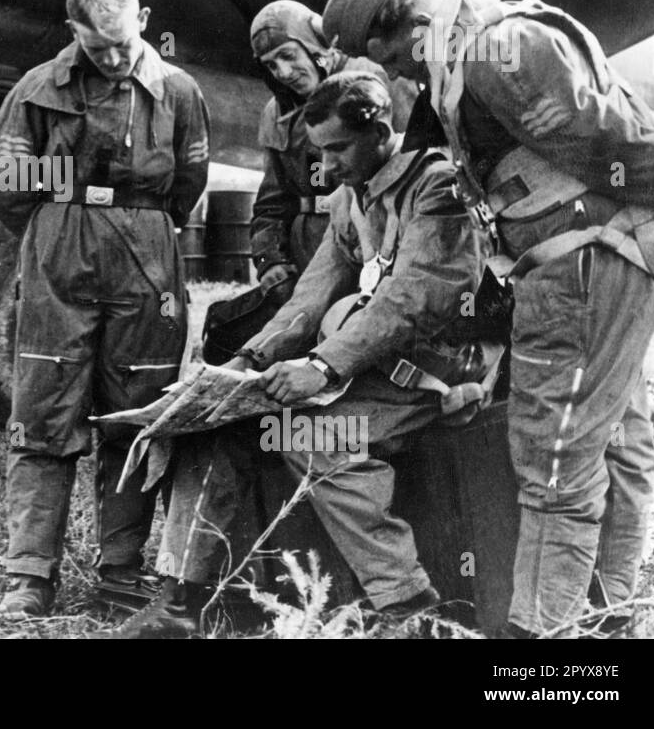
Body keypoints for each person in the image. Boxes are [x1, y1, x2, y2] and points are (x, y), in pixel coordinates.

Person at [322, 0, 654, 637]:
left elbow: (626, 148)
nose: (397, 78)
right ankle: (608, 616)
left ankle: (538, 648)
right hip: (583, 266)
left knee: (554, 462)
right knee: (613, 443)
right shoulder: (466, 54)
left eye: (391, 61)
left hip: (582, 270)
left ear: (400, 29)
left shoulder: (492, 54)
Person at [113, 71, 502, 638]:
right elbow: (312, 294)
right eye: (320, 151)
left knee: (311, 438)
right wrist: (247, 361)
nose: (327, 164)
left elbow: (412, 301)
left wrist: (321, 366)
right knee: (214, 429)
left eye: (338, 147)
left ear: (382, 131)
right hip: (375, 366)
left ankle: (409, 606)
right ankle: (182, 601)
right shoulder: (353, 198)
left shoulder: (435, 187)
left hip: (438, 368)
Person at [0, 0, 210, 617]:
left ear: (144, 21)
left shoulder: (179, 92)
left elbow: (187, 189)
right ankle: (29, 576)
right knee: (42, 416)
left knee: (134, 419)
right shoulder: (36, 90)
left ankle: (120, 574)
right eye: (96, 45)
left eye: (124, 42)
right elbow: (6, 187)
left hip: (147, 264)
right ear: (71, 30)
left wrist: (129, 218)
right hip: (60, 260)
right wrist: (74, 206)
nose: (113, 58)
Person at [249, 0, 412, 289]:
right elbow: (272, 200)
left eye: (288, 55)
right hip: (309, 246)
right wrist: (269, 259)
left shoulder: (377, 77)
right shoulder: (276, 115)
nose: (284, 72)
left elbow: (418, 157)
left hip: (377, 234)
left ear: (314, 46)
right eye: (271, 65)